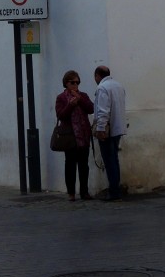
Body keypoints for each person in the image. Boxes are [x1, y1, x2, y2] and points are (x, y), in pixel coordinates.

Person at [54, 70, 94, 201]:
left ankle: (84, 192)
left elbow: (91, 108)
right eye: (72, 82)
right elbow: (60, 115)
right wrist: (70, 105)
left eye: (77, 82)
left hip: (83, 135)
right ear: (66, 83)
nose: (75, 85)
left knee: (84, 165)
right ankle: (71, 192)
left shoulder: (83, 95)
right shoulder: (61, 98)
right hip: (70, 137)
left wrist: (80, 100)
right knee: (70, 165)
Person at [92, 64, 127, 201]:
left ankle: (114, 191)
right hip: (118, 128)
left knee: (109, 160)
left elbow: (103, 111)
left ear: (97, 76)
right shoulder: (118, 86)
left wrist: (100, 129)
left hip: (107, 129)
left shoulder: (102, 88)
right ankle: (115, 188)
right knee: (114, 159)